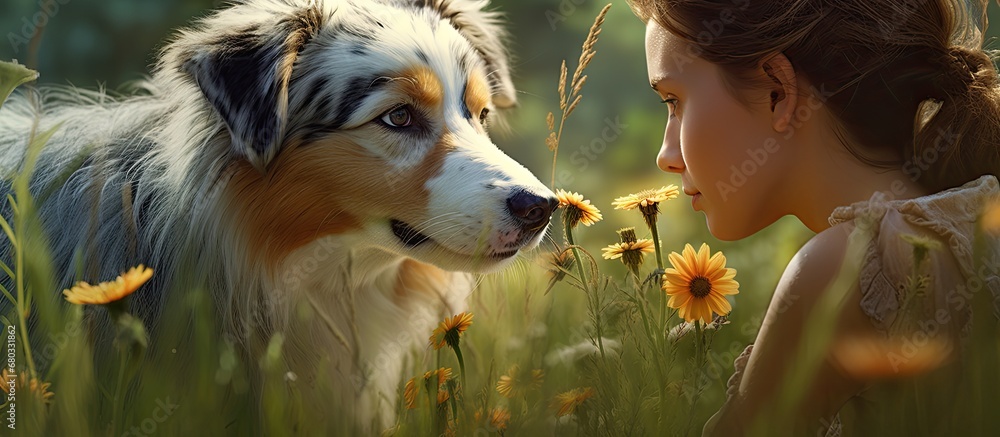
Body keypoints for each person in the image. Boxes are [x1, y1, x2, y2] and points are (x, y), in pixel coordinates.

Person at [628, 0, 1000, 435]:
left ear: (778, 92)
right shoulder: (978, 219)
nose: (665, 156)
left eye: (674, 102)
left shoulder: (842, 269)